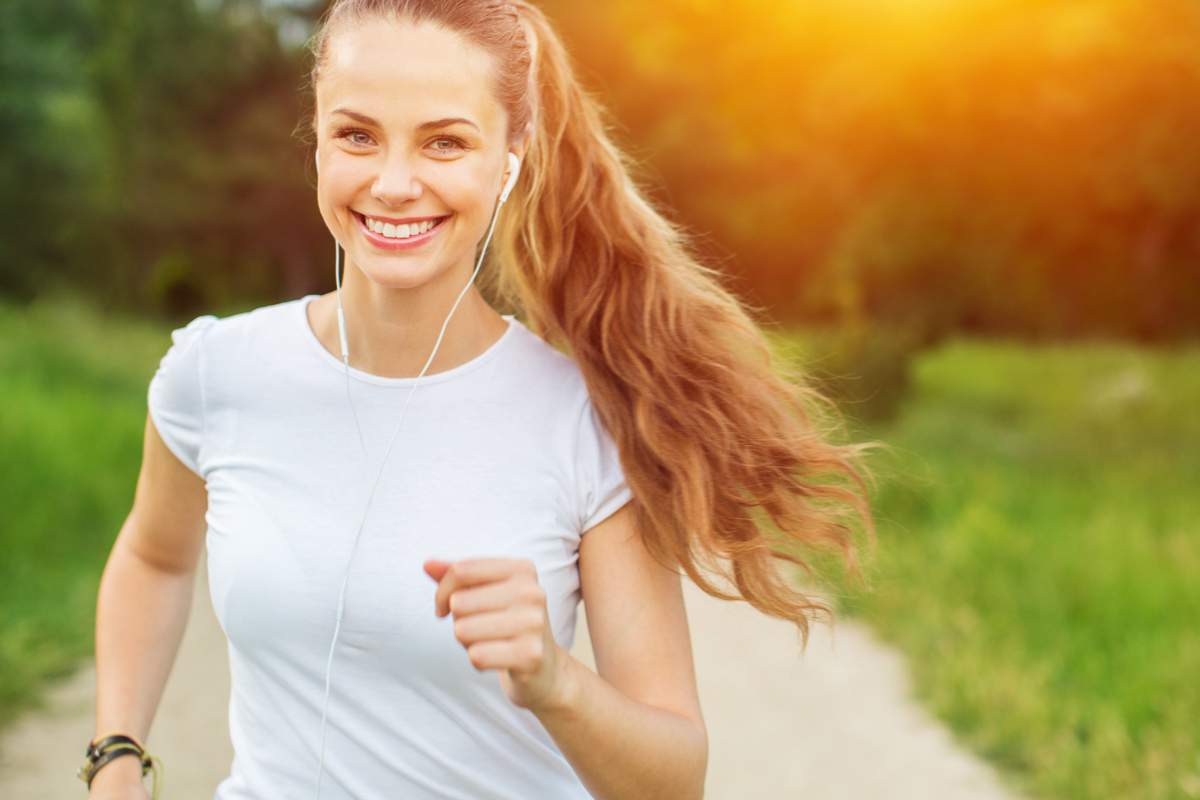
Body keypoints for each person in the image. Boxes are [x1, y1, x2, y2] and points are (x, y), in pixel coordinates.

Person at [84, 1, 881, 798]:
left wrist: (553, 677)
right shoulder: (215, 374)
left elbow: (675, 781)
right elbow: (153, 559)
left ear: (510, 158)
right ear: (317, 140)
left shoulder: (583, 422)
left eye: (445, 142)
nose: (394, 185)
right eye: (357, 135)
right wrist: (115, 757)